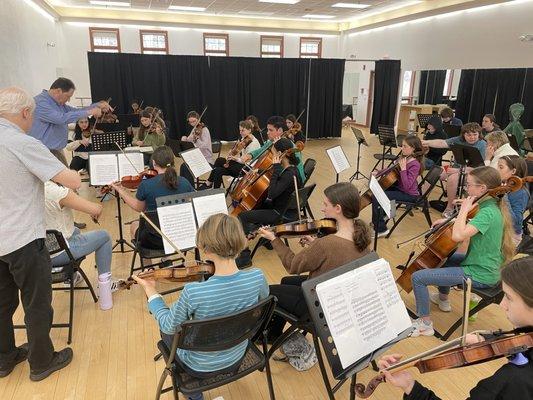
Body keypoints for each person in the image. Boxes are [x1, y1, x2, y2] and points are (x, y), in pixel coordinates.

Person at [133, 213, 269, 400]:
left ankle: (195, 395)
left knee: (166, 330)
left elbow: (168, 325)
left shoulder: (193, 292)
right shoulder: (258, 277)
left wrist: (152, 293)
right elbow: (260, 303)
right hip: (238, 352)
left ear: (204, 249)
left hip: (199, 366)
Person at [0, 87, 82, 381]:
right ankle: (41, 362)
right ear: (24, 113)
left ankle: (4, 358)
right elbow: (71, 179)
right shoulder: (21, 142)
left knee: (2, 303)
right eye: (32, 115)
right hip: (22, 238)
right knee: (36, 303)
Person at [378, 256, 533, 399]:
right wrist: (487, 338)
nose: (502, 304)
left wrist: (410, 386)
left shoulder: (511, 381)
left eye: (509, 298)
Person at [258, 182, 371, 342]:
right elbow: (339, 256)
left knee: (268, 291)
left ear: (338, 208)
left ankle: (270, 335)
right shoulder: (362, 238)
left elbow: (292, 265)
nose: (322, 209)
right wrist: (314, 244)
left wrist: (274, 239)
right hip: (340, 302)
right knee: (286, 281)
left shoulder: (326, 243)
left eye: (326, 204)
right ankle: (274, 333)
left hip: (319, 308)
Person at [409, 166, 515, 337]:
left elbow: (458, 236)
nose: (466, 188)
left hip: (480, 273)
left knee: (418, 278)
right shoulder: (490, 205)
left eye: (469, 185)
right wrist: (448, 219)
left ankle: (424, 323)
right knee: (447, 258)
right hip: (483, 264)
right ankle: (443, 300)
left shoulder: (487, 213)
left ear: (482, 189)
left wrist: (464, 210)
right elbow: (472, 223)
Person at [44, 181, 124, 303]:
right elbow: (96, 209)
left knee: (75, 230)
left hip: (38, 251)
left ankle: (72, 277)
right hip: (58, 254)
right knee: (104, 236)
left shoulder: (33, 188)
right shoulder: (57, 191)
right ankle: (105, 287)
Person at [111, 146, 194, 249]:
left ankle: (148, 265)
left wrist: (120, 190)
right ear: (172, 162)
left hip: (155, 239)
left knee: (134, 225)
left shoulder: (146, 185)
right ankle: (166, 258)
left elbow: (138, 208)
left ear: (154, 163)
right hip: (181, 236)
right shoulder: (184, 182)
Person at [237, 138, 301, 267]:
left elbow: (272, 194)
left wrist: (276, 168)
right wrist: (261, 172)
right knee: (257, 203)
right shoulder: (293, 170)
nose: (272, 157)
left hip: (277, 213)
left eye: (273, 153)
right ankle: (267, 240)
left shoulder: (288, 174)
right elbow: (277, 182)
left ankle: (244, 257)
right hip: (283, 208)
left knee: (242, 216)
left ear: (281, 154)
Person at [28, 77, 110, 166]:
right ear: (58, 91)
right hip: (43, 152)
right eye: (68, 96)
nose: (68, 100)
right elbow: (61, 118)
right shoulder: (40, 102)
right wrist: (91, 112)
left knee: (65, 178)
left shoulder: (58, 103)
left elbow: (76, 111)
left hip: (55, 151)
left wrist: (97, 105)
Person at [422, 122, 486, 217]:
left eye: (475, 135)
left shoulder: (482, 144)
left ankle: (450, 208)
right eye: (469, 135)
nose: (472, 137)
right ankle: (422, 199)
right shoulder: (458, 140)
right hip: (455, 168)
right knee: (436, 170)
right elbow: (442, 143)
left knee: (453, 178)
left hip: (472, 172)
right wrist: (425, 142)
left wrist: (457, 171)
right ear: (464, 135)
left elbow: (479, 168)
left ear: (479, 134)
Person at [372, 135, 424, 237]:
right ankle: (387, 214)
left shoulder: (415, 164)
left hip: (409, 195)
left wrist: (403, 169)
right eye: (402, 146)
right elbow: (392, 169)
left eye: (405, 146)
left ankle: (381, 229)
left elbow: (407, 186)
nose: (402, 148)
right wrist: (378, 172)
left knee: (377, 196)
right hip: (400, 188)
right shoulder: (405, 158)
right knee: (379, 189)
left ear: (413, 148)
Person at [240, 116, 305, 183]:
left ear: (280, 130)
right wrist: (249, 155)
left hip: (293, 183)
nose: (267, 133)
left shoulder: (288, 147)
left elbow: (285, 173)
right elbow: (261, 150)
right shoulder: (273, 141)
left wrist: (260, 171)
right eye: (268, 130)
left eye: (270, 130)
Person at [200, 120, 260, 189]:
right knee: (218, 166)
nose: (240, 133)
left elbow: (245, 161)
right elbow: (237, 152)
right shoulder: (245, 138)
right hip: (241, 164)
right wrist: (231, 153)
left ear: (249, 130)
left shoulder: (254, 143)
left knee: (218, 166)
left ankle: (209, 183)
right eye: (240, 130)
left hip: (247, 169)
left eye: (243, 131)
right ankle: (215, 192)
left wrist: (234, 158)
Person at [497, 155, 529, 246]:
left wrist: (504, 196)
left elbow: (516, 222)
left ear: (513, 171)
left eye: (501, 167)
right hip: (499, 229)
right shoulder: (503, 185)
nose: (497, 170)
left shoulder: (521, 193)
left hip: (510, 238)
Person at [179, 110, 213, 187]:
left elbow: (204, 146)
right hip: (196, 157)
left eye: (194, 121)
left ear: (199, 119)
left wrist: (197, 140)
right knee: (183, 166)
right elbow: (189, 141)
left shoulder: (204, 130)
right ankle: (184, 187)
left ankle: (190, 189)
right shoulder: (195, 129)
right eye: (190, 122)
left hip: (206, 158)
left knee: (187, 168)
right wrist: (184, 139)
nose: (192, 123)